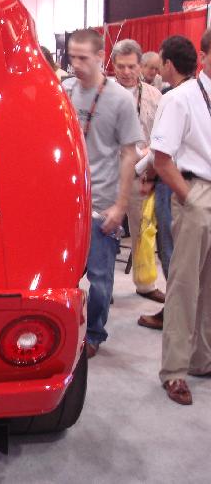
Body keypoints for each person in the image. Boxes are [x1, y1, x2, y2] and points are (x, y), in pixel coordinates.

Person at [64, 29, 143, 358]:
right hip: (67, 203)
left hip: (102, 203)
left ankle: (95, 332)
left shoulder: (120, 100)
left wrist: (120, 205)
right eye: (72, 57)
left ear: (100, 57)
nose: (76, 64)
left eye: (83, 58)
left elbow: (129, 154)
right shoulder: (64, 91)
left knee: (99, 279)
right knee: (63, 277)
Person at [151, 29, 211, 405]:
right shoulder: (181, 98)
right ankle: (174, 371)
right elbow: (161, 159)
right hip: (196, 191)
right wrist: (190, 199)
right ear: (204, 54)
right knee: (185, 286)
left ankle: (202, 359)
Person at [138, 36, 198, 331]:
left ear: (169, 64)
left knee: (172, 252)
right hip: (195, 184)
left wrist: (146, 175)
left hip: (175, 184)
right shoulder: (200, 93)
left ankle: (174, 314)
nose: (158, 69)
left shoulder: (173, 98)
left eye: (160, 63)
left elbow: (160, 154)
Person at [110, 39, 164, 303]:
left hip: (141, 174)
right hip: (108, 174)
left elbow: (162, 135)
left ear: (140, 65)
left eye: (131, 66)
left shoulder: (155, 96)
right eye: (121, 66)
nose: (126, 72)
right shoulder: (103, 93)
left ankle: (145, 284)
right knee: (103, 232)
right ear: (113, 65)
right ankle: (102, 285)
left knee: (144, 229)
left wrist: (150, 168)